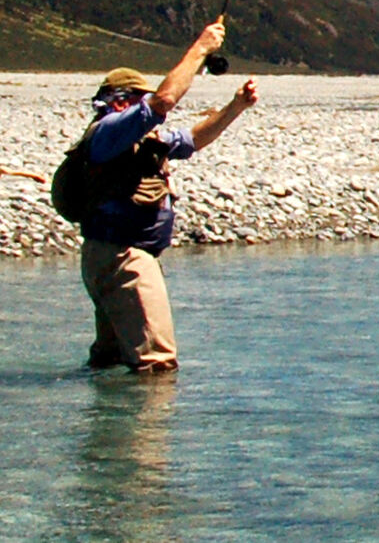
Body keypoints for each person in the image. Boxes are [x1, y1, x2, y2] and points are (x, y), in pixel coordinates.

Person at [76, 19, 257, 373]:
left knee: (109, 362)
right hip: (124, 259)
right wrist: (201, 48)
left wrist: (235, 107)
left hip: (109, 256)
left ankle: (108, 425)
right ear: (119, 103)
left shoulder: (141, 142)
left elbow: (193, 141)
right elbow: (164, 101)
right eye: (138, 100)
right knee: (157, 366)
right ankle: (150, 427)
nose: (148, 109)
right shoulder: (110, 131)